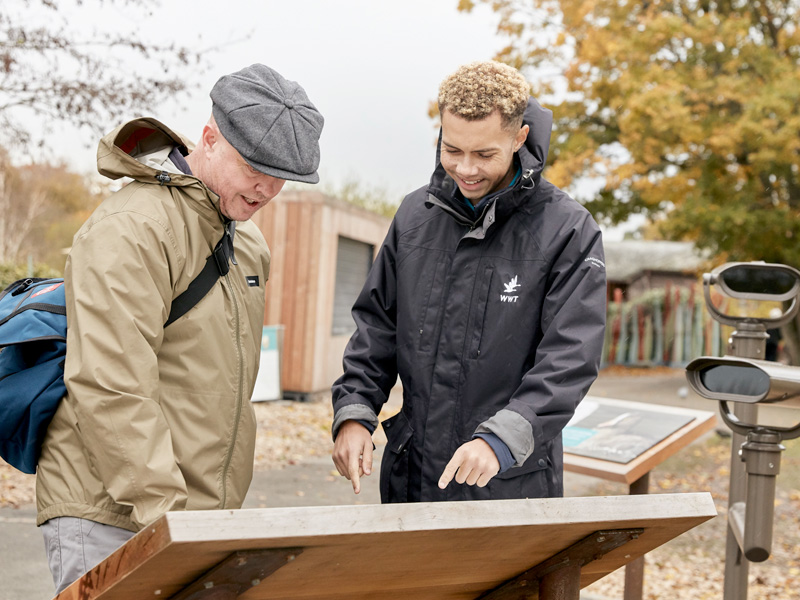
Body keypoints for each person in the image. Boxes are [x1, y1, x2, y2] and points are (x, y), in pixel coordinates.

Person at [35, 63, 324, 593]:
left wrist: (206, 525)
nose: (267, 187)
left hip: (196, 523)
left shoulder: (248, 244)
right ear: (209, 139)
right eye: (254, 166)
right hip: (114, 516)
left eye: (284, 175)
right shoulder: (134, 228)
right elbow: (111, 385)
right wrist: (173, 521)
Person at [331, 60, 606, 503]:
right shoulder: (413, 217)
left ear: (519, 138)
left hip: (509, 486)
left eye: (483, 154)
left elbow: (571, 356)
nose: (465, 169)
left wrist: (500, 440)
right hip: (411, 479)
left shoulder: (569, 230)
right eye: (452, 149)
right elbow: (376, 328)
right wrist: (354, 413)